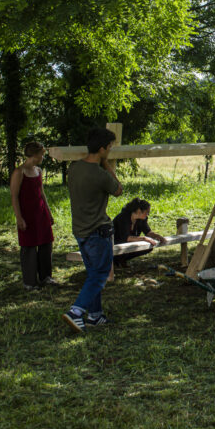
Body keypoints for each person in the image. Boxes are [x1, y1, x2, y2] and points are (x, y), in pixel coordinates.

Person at [62, 127, 123, 334]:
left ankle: (95, 316)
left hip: (80, 230)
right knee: (100, 274)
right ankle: (76, 311)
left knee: (92, 273)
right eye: (110, 147)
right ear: (103, 148)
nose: (111, 150)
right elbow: (118, 189)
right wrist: (107, 166)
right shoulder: (100, 174)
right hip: (98, 231)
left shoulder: (74, 168)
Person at [10, 141, 56, 290]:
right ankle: (30, 282)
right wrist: (19, 217)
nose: (43, 157)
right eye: (42, 154)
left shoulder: (39, 170)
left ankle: (45, 276)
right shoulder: (19, 172)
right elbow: (14, 196)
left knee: (46, 243)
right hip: (26, 213)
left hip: (40, 212)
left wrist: (48, 212)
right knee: (29, 246)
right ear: (35, 155)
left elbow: (42, 193)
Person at [112, 198, 166, 268]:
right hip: (116, 243)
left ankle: (122, 260)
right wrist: (144, 238)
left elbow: (148, 232)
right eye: (147, 212)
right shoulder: (123, 217)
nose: (148, 214)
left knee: (149, 246)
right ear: (139, 211)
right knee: (145, 242)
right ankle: (116, 260)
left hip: (127, 243)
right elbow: (126, 238)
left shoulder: (142, 219)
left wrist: (158, 236)